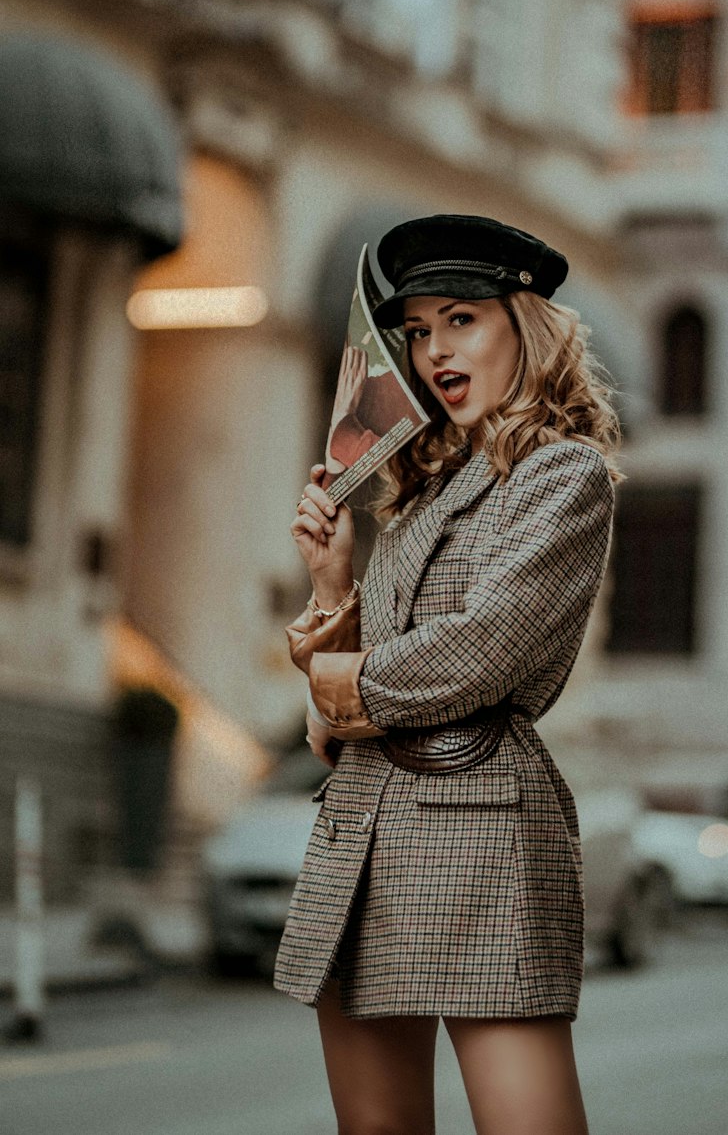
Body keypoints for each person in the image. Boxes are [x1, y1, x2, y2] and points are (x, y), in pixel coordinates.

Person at [275, 213, 621, 1135]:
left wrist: (341, 692)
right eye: (419, 330)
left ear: (525, 325)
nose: (433, 350)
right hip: (363, 831)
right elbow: (339, 712)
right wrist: (334, 581)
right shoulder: (421, 488)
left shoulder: (563, 476)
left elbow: (485, 647)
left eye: (459, 319)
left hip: (480, 833)